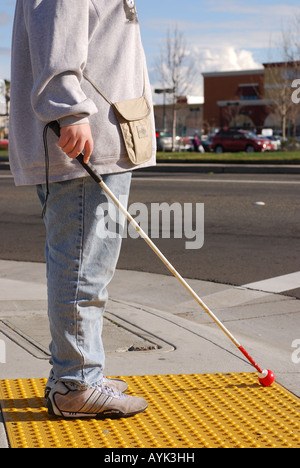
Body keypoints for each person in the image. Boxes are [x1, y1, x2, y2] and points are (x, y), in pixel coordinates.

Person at [9, 0, 156, 419]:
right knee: (82, 269)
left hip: (99, 140)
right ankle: (76, 382)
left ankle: (77, 372)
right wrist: (68, 108)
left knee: (84, 265)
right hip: (85, 146)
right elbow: (54, 26)